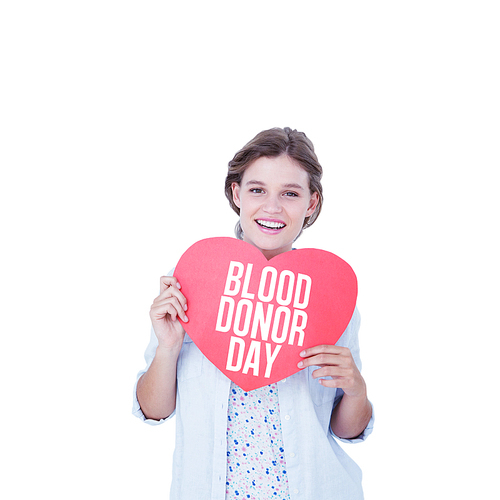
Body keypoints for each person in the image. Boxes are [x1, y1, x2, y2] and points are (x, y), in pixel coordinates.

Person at [133, 127, 374, 500]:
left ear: (311, 204)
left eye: (290, 194)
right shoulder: (193, 279)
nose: (272, 207)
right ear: (236, 193)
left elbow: (346, 430)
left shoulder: (330, 295)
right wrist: (168, 347)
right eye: (257, 190)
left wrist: (356, 389)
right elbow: (154, 410)